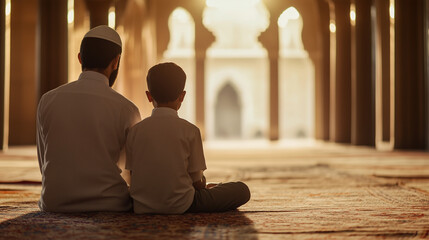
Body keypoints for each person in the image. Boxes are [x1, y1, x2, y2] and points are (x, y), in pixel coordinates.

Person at [36, 25, 141, 212]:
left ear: (80, 58)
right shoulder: (127, 109)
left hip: (54, 202)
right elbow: (134, 171)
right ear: (116, 62)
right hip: (110, 203)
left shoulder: (48, 100)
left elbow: (43, 159)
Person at [126, 62, 250, 214]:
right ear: (182, 96)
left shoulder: (135, 131)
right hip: (184, 205)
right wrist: (205, 185)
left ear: (149, 96)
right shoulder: (190, 131)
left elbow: (132, 176)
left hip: (141, 206)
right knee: (241, 190)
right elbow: (197, 183)